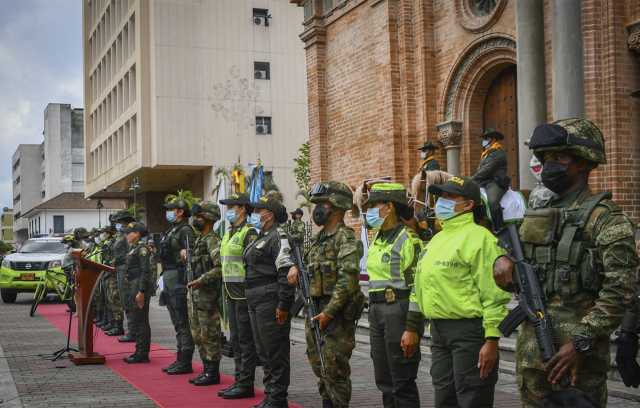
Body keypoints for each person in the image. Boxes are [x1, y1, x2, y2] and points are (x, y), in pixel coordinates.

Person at [492, 118, 639, 407]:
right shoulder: (538, 212)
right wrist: (501, 259)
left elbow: (619, 291)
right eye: (546, 159)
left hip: (576, 362)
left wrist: (581, 342)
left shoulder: (607, 219)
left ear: (583, 163)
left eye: (559, 157)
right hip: (532, 354)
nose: (549, 166)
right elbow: (516, 254)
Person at [415, 176, 510, 408]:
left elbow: (494, 295)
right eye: (441, 196)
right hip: (439, 330)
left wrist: (492, 339)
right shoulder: (437, 239)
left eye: (450, 196)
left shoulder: (482, 239)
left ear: (468, 205)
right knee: (444, 396)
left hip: (470, 332)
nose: (442, 201)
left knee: (472, 397)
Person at [287, 181, 364, 408]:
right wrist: (294, 267)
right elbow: (305, 266)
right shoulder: (319, 239)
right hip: (315, 311)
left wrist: (329, 313)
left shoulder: (346, 238)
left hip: (335, 318)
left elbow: (348, 281)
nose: (317, 209)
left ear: (336, 208)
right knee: (320, 366)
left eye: (322, 203)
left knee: (334, 369)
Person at [361, 183, 424, 407]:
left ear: (388, 207)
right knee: (384, 379)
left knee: (402, 380)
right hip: (378, 311)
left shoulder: (408, 239)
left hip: (399, 310)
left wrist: (411, 327)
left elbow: (417, 287)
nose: (368, 211)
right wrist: (372, 314)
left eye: (373, 206)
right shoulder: (377, 237)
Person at [243, 196, 294, 408]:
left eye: (257, 211)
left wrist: (283, 304)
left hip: (269, 297)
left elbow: (285, 271)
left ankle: (277, 399)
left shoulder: (278, 236)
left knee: (275, 349)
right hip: (255, 297)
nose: (253, 214)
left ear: (269, 214)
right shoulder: (261, 236)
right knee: (263, 349)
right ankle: (269, 396)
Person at [217, 192, 259, 400]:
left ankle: (246, 384)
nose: (228, 210)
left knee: (244, 341)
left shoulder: (249, 232)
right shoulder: (230, 231)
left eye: (232, 206)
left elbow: (253, 265)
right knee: (236, 340)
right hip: (230, 294)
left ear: (242, 209)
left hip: (243, 294)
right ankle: (239, 380)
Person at [184, 201, 224, 386]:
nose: (196, 220)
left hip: (208, 297)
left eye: (199, 218)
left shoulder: (213, 241)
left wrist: (201, 281)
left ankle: (212, 372)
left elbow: (220, 267)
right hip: (196, 296)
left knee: (209, 335)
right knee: (198, 335)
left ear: (208, 219)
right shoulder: (199, 240)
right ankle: (206, 369)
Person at [159, 198, 196, 375]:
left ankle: (185, 361)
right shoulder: (172, 229)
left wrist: (186, 254)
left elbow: (193, 254)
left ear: (180, 211)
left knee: (183, 321)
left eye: (171, 209)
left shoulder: (185, 230)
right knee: (176, 321)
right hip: (168, 277)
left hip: (179, 278)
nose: (168, 212)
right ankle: (180, 357)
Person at [121, 222, 153, 364]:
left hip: (139, 285)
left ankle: (143, 353)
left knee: (141, 320)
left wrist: (141, 291)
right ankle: (138, 350)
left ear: (137, 233)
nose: (126, 235)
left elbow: (145, 271)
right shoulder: (133, 248)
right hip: (133, 284)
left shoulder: (142, 249)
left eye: (129, 232)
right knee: (136, 318)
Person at [470, 128, 508, 229]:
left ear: (494, 140)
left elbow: (486, 170)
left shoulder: (497, 152)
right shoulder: (487, 153)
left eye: (486, 139)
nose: (484, 141)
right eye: (484, 139)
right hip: (483, 182)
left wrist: (471, 179)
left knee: (493, 202)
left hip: (494, 182)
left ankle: (499, 229)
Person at [113, 210, 137, 343]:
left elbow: (130, 254)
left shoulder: (128, 236)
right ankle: (132, 330)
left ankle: (133, 331)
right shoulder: (122, 236)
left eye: (119, 221)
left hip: (126, 270)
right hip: (120, 269)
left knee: (127, 301)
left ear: (125, 221)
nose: (117, 224)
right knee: (124, 300)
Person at [100, 225, 125, 337]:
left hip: (114, 273)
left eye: (103, 232)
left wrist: (110, 263)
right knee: (110, 299)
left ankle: (118, 325)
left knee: (115, 299)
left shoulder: (117, 240)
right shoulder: (108, 242)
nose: (101, 235)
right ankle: (113, 322)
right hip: (108, 274)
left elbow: (118, 256)